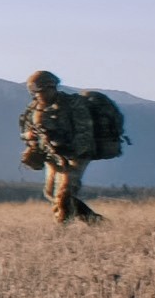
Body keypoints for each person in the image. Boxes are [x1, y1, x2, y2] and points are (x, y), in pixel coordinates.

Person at [21, 69, 105, 226]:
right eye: (34, 92)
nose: (38, 95)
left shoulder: (73, 104)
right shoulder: (34, 108)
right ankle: (96, 222)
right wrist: (30, 138)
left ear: (51, 87)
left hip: (75, 155)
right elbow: (26, 131)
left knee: (64, 194)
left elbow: (85, 132)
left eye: (40, 91)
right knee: (50, 192)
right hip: (51, 156)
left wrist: (69, 153)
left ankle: (62, 229)